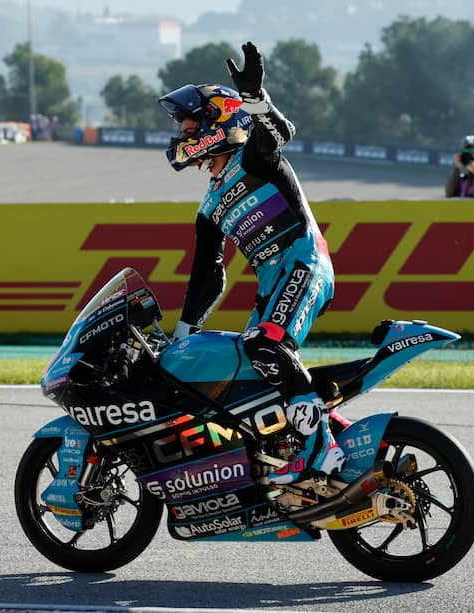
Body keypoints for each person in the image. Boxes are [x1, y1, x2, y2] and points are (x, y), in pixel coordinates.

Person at [157, 41, 345, 486]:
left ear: (216, 122)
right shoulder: (209, 205)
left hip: (305, 265)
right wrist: (180, 339)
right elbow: (207, 277)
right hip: (272, 286)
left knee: (265, 345)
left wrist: (257, 98)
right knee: (251, 374)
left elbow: (280, 132)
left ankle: (323, 453)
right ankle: (306, 452)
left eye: (188, 124)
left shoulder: (253, 158)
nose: (182, 134)